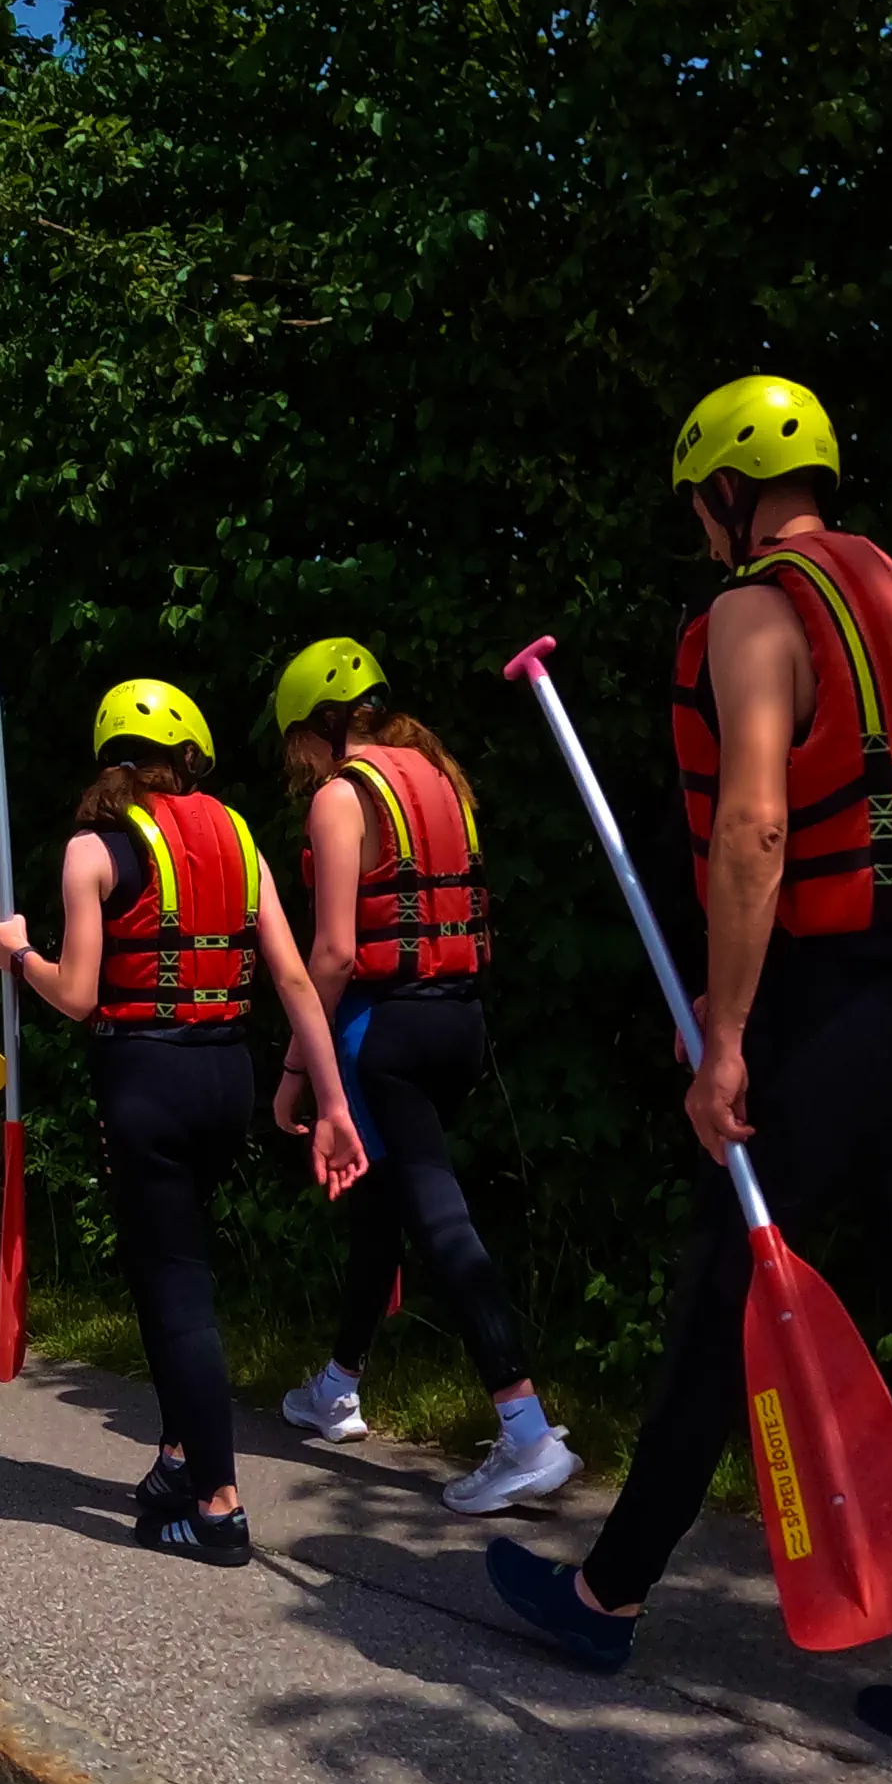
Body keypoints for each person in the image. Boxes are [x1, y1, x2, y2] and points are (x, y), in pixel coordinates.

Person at [484, 380, 892, 1767]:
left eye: (702, 506)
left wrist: (730, 1035)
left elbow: (755, 827)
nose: (702, 529)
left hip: (823, 1017)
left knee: (723, 1303)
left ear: (728, 492)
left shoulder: (756, 612)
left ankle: (607, 1596)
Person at [0, 679, 367, 1565]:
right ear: (191, 758)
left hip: (147, 1080)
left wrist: (17, 954)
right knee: (173, 1274)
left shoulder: (93, 848)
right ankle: (180, 1454)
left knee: (175, 1289)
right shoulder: (238, 836)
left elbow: (78, 995)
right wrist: (333, 1102)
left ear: (109, 760)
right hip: (226, 1078)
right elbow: (295, 978)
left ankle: (219, 1506)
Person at [261, 637, 575, 1512]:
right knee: (384, 1203)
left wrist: (296, 1066)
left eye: (298, 741)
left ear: (323, 725)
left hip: (386, 1033)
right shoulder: (441, 777)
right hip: (458, 1022)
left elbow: (332, 954)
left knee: (437, 1216)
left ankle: (525, 1430)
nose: (298, 761)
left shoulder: (342, 796)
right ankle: (337, 1387)